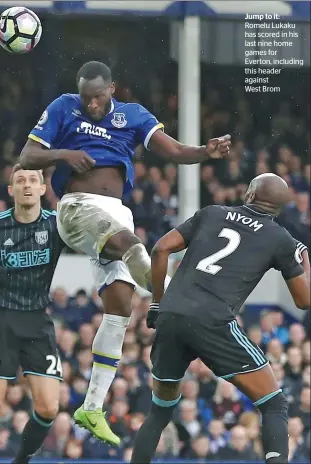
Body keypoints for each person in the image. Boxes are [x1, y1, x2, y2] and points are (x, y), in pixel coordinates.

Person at [19, 60, 231, 444]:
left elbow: (175, 150)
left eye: (98, 98)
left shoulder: (132, 116)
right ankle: (179, 299)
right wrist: (64, 155)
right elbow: (27, 157)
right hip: (78, 206)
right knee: (134, 248)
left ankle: (93, 406)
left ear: (112, 89)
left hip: (117, 213)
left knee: (119, 308)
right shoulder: (64, 106)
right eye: (86, 98)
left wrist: (206, 151)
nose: (91, 105)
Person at [131, 173, 310, 464]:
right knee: (273, 403)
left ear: (250, 194)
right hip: (212, 321)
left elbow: (160, 248)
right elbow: (304, 301)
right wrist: (305, 264)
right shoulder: (280, 238)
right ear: (279, 208)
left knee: (160, 410)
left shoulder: (212, 213)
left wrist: (156, 304)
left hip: (171, 315)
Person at [0, 165, 65, 464]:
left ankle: (21, 460)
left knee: (48, 408)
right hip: (0, 317)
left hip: (37, 319)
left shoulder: (58, 225)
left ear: (42, 189)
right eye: (20, 181)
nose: (27, 185)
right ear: (11, 190)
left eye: (33, 180)